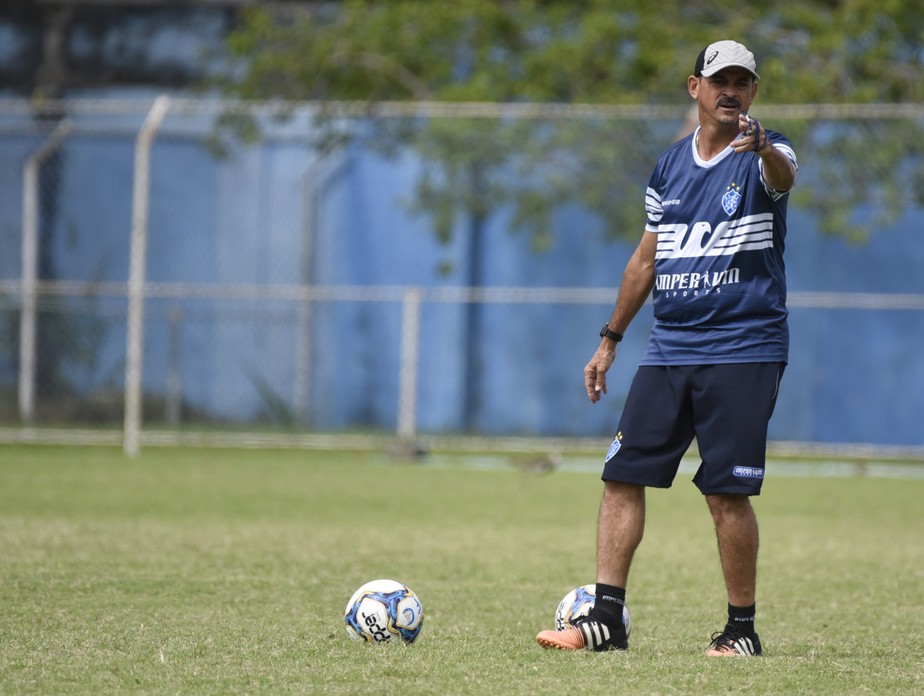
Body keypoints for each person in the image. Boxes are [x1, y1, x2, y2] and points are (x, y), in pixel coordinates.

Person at [535, 40, 798, 656]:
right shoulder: (669, 167)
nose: (730, 90)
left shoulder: (769, 151)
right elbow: (646, 260)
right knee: (621, 475)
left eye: (742, 81)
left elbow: (782, 175)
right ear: (694, 88)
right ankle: (606, 619)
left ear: (753, 93)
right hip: (668, 346)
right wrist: (609, 340)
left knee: (725, 491)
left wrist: (762, 147)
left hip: (742, 346)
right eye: (719, 80)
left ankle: (741, 631)